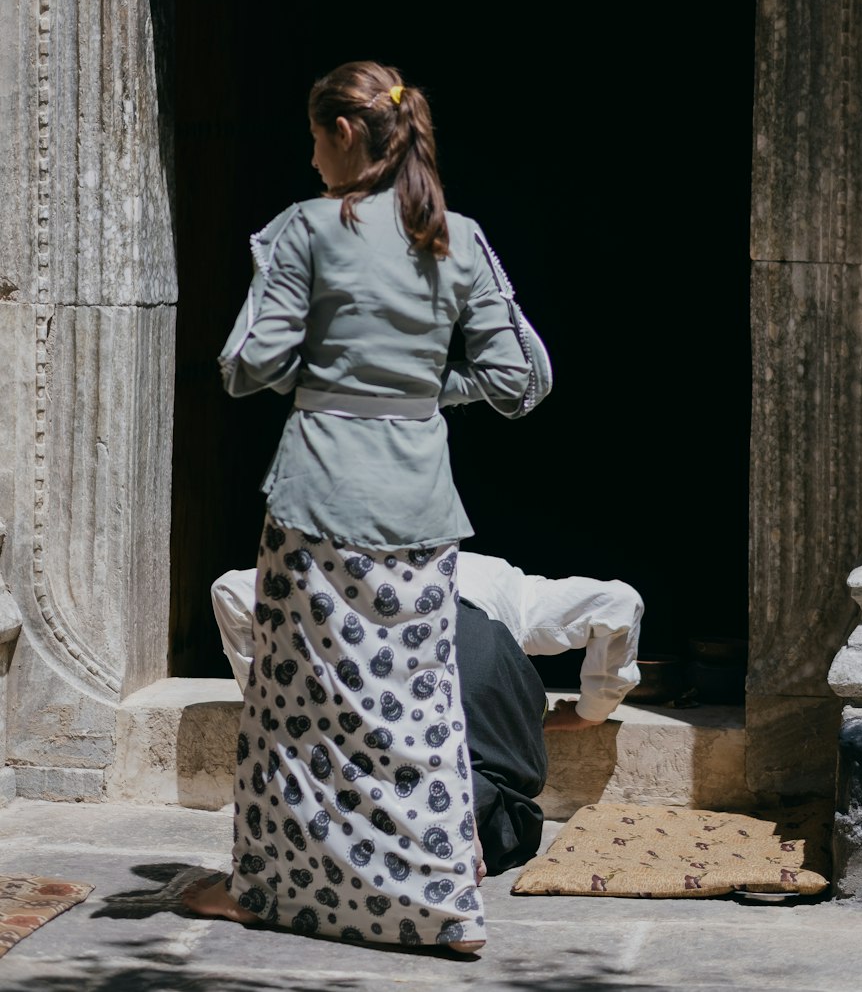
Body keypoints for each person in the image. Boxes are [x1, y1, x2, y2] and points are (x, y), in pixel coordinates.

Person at [183, 60, 546, 955]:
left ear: (346, 133)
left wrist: (336, 382)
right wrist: (423, 390)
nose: (310, 161)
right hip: (422, 505)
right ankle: (444, 906)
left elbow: (245, 367)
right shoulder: (457, 236)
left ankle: (268, 889)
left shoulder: (305, 229)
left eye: (314, 140)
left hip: (317, 500)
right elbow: (522, 380)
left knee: (296, 712)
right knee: (414, 711)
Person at [211, 552, 644, 729]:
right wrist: (592, 712)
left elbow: (229, 590)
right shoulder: (519, 593)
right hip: (462, 669)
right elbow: (619, 603)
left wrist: (269, 700)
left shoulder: (360, 574)